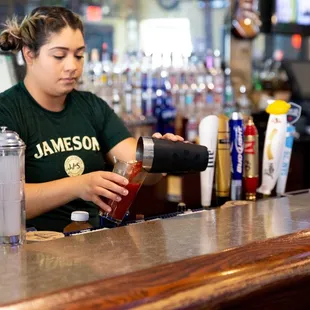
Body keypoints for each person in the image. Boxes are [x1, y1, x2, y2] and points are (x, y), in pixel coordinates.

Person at [0, 6, 184, 232]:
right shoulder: (7, 111)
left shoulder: (91, 106)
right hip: (36, 248)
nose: (72, 66)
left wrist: (159, 157)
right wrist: (79, 185)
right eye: (59, 56)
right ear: (29, 54)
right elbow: (5, 201)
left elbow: (138, 166)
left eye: (79, 55)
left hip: (95, 244)